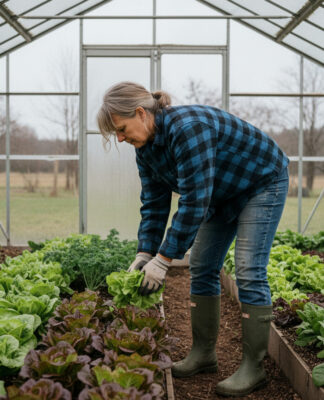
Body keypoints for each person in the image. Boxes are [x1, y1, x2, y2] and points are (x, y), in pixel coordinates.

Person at [97, 81, 289, 397]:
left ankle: (254, 368)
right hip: (221, 193)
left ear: (141, 113)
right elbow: (154, 203)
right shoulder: (144, 149)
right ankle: (204, 354)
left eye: (121, 128)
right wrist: (145, 252)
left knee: (249, 270)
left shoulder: (188, 128)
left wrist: (164, 259)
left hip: (261, 182)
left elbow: (194, 200)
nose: (120, 138)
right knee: (202, 265)